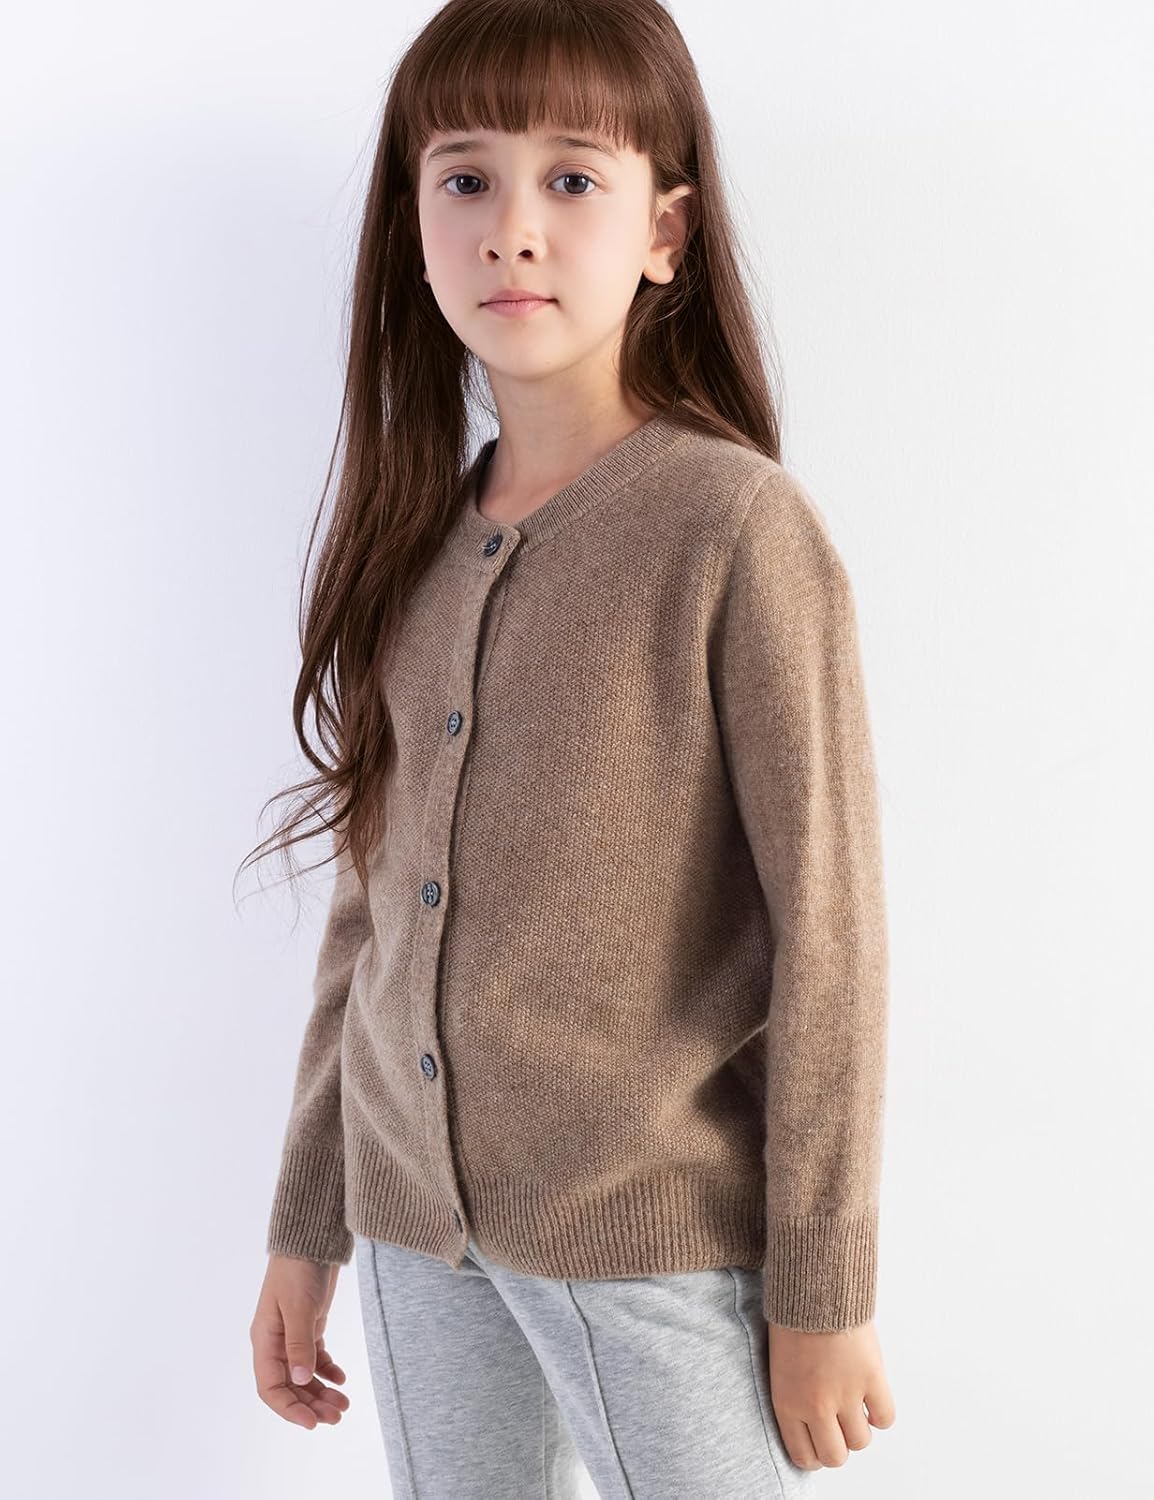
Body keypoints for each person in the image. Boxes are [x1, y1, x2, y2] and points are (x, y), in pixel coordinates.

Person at [246, 0, 897, 1493]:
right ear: (412, 225)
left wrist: (824, 1286)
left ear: (665, 231)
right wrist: (308, 1221)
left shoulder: (733, 529)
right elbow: (367, 917)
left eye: (573, 178)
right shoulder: (413, 541)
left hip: (648, 1239)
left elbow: (832, 936)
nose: (513, 229)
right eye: (466, 178)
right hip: (417, 1236)